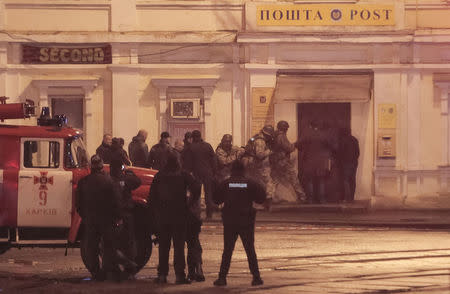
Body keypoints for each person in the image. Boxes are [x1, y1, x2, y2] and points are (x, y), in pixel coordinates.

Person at [148, 152, 201, 284]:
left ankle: (162, 275)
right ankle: (179, 275)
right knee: (178, 247)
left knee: (164, 247)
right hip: (179, 215)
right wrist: (191, 202)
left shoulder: (159, 175)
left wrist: (155, 214)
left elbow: (152, 197)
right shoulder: (183, 175)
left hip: (163, 215)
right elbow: (197, 186)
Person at [213, 160, 266, 287]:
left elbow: (216, 199)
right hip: (246, 220)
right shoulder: (250, 183)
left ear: (232, 169)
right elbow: (261, 198)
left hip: (230, 220)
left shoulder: (226, 183)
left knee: (227, 250)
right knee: (250, 250)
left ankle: (222, 278)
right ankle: (256, 277)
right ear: (244, 170)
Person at [75, 155, 122, 281]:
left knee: (92, 247)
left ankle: (96, 273)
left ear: (91, 167)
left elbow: (78, 204)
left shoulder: (83, 182)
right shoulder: (110, 181)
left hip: (90, 220)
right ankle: (109, 271)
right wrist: (118, 217)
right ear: (102, 167)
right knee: (109, 247)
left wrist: (85, 216)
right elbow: (116, 201)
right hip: (107, 220)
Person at [110, 155, 141, 279]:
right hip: (127, 215)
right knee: (129, 242)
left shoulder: (109, 180)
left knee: (113, 243)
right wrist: (129, 172)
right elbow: (137, 182)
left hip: (114, 217)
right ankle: (130, 268)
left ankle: (117, 269)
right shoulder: (126, 179)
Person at [183, 130, 218, 219]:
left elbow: (188, 162)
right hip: (208, 172)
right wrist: (214, 172)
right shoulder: (208, 146)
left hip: (196, 173)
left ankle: (196, 213)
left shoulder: (190, 147)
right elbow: (213, 160)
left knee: (196, 193)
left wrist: (188, 173)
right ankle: (209, 213)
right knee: (208, 193)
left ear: (192, 137)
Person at [299, 120, 335, 204]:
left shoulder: (306, 134)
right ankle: (322, 199)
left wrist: (304, 150)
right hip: (321, 162)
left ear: (310, 126)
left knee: (310, 181)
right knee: (321, 180)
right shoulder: (324, 135)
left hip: (309, 161)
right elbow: (332, 146)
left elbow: (299, 144)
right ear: (318, 126)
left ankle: (310, 199)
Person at [242, 125, 276, 211]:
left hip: (252, 164)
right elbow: (260, 155)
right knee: (269, 183)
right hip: (257, 165)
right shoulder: (260, 141)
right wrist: (269, 151)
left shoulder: (255, 137)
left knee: (255, 184)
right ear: (267, 134)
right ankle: (268, 202)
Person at [271, 121, 306, 202]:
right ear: (284, 128)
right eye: (286, 128)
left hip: (275, 161)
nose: (287, 129)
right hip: (283, 161)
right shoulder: (281, 136)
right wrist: (296, 144)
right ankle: (302, 196)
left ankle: (270, 197)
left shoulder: (274, 135)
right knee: (293, 178)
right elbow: (289, 148)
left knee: (274, 180)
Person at [337, 128, 359, 203]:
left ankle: (347, 198)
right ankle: (352, 198)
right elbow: (358, 152)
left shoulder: (343, 140)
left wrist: (340, 161)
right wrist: (354, 160)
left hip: (345, 163)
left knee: (345, 180)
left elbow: (339, 152)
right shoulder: (354, 140)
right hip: (354, 162)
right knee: (352, 180)